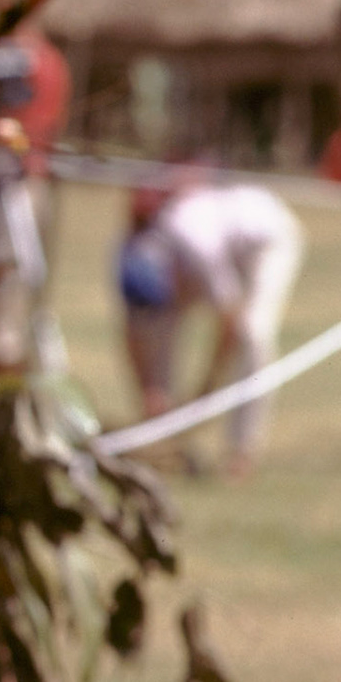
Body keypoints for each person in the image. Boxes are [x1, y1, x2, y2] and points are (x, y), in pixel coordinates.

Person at [120, 179, 304, 477]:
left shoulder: (197, 245)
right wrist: (150, 391)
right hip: (211, 255)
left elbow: (229, 322)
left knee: (252, 333)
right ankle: (167, 437)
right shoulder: (128, 256)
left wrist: (206, 391)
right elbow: (133, 329)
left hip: (267, 240)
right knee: (159, 326)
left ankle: (241, 451)